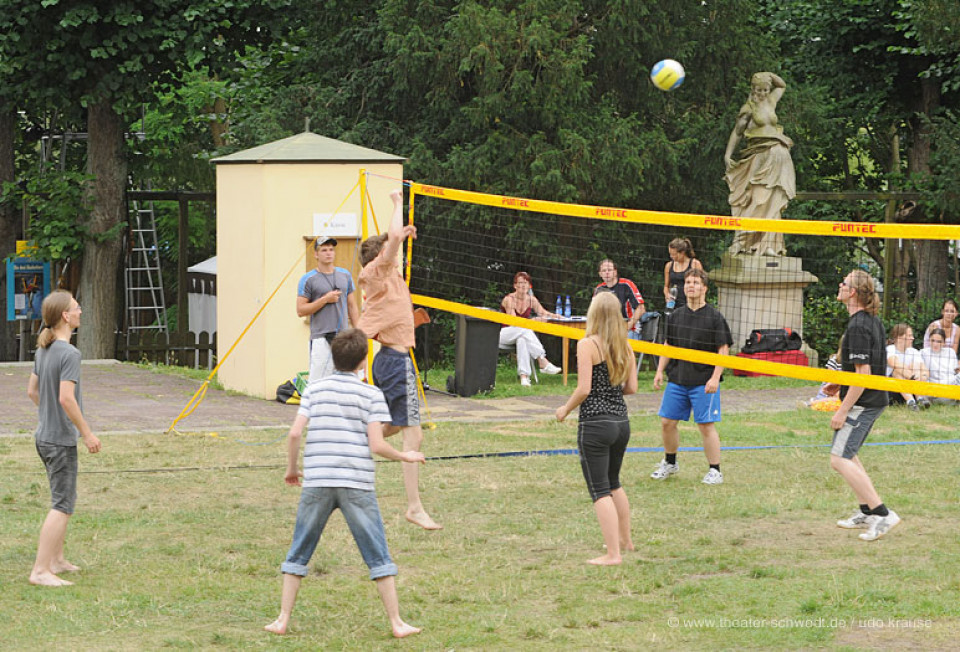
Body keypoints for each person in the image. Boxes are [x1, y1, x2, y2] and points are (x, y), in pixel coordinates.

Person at [264, 329, 423, 638]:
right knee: (377, 554)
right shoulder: (371, 394)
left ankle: (282, 619)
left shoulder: (314, 389)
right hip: (356, 482)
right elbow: (376, 445)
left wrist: (292, 469)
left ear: (334, 358)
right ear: (364, 361)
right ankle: (397, 623)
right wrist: (406, 455)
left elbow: (295, 433)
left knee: (298, 551)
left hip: (319, 479)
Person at [357, 189, 440, 530]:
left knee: (394, 426)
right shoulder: (376, 273)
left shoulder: (390, 279)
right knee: (413, 434)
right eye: (389, 251)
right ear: (378, 257)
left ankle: (353, 442)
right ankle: (414, 506)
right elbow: (391, 239)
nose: (394, 253)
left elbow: (394, 240)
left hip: (392, 359)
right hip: (393, 361)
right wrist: (396, 203)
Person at [555, 292, 638, 566]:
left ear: (593, 314)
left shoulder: (587, 345)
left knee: (600, 490)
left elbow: (583, 389)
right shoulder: (625, 347)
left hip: (595, 423)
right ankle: (625, 541)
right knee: (614, 483)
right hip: (621, 422)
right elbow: (632, 388)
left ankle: (613, 554)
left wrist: (564, 410)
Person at [26, 290, 102, 587]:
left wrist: (50, 416)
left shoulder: (42, 350)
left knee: (61, 499)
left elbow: (33, 392)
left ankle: (56, 560)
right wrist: (87, 433)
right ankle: (41, 570)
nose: (80, 310)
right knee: (63, 504)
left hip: (44, 437)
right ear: (65, 317)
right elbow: (66, 399)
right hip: (59, 441)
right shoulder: (69, 353)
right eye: (76, 307)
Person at [831, 270, 899, 541]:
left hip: (864, 402)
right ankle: (866, 510)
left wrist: (842, 409)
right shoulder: (869, 320)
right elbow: (862, 368)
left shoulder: (859, 325)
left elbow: (864, 375)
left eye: (844, 283)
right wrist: (839, 384)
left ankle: (882, 514)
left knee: (839, 459)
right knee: (848, 453)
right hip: (868, 397)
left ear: (853, 293)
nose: (840, 285)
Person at [652, 268, 733, 484]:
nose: (691, 286)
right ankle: (670, 463)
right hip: (678, 379)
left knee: (706, 425)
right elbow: (668, 346)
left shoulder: (714, 317)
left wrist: (715, 377)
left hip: (703, 381)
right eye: (688, 282)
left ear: (704, 288)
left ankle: (715, 470)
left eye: (696, 282)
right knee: (667, 422)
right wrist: (660, 371)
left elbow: (723, 350)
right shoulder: (676, 315)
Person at [724, 72, 796, 257]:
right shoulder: (748, 109)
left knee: (774, 202)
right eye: (759, 90)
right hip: (760, 157)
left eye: (765, 89)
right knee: (758, 199)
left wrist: (769, 75)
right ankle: (742, 241)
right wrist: (728, 154)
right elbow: (737, 132)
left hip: (780, 157)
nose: (763, 93)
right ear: (753, 89)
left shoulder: (771, 101)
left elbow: (782, 85)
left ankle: (768, 244)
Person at [297, 236, 360, 383]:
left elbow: (352, 306)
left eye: (331, 249)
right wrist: (325, 299)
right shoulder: (308, 279)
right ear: (316, 254)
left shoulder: (345, 275)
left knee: (346, 381)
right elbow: (300, 310)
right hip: (321, 338)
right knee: (318, 382)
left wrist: (359, 333)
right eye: (324, 250)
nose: (328, 253)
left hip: (343, 338)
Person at [499, 271, 562, 386]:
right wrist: (533, 321)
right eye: (520, 283)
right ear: (515, 286)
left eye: (525, 283)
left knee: (522, 339)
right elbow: (515, 322)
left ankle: (524, 377)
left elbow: (543, 312)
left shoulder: (532, 299)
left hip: (520, 334)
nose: (523, 285)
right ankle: (542, 360)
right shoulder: (509, 299)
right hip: (504, 334)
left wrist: (555, 316)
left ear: (529, 286)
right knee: (525, 330)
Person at [594, 259, 645, 339]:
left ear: (615, 272)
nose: (607, 272)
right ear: (600, 274)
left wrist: (628, 326)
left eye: (609, 270)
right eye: (604, 270)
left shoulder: (627, 285)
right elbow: (595, 312)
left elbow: (641, 308)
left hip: (629, 330)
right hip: (607, 331)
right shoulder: (598, 289)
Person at [885, 323, 930, 410]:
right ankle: (911, 402)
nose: (912, 338)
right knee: (897, 371)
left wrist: (923, 377)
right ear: (899, 337)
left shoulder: (914, 351)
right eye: (909, 335)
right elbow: (894, 364)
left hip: (913, 387)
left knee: (915, 365)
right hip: (893, 390)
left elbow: (925, 370)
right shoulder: (890, 349)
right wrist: (912, 376)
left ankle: (919, 399)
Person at [920, 327, 959, 405]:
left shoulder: (950, 352)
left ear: (944, 342)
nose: (935, 344)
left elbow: (956, 371)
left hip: (952, 386)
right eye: (933, 340)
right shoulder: (923, 353)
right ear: (929, 340)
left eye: (939, 341)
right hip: (935, 389)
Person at [662, 238, 703, 311]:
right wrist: (667, 295)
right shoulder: (668, 265)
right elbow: (666, 286)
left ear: (682, 252)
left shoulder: (695, 264)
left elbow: (701, 285)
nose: (671, 256)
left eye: (674, 254)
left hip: (689, 303)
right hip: (672, 304)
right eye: (670, 254)